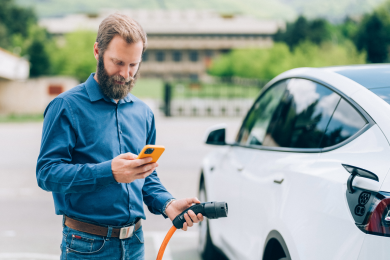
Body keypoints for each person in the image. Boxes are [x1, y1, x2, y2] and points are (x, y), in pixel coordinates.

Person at [36, 13, 203, 260]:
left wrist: (168, 204)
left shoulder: (144, 113)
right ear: (97, 51)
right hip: (86, 246)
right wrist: (110, 172)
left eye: (133, 65)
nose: (125, 74)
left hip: (135, 243)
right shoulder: (66, 107)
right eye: (118, 62)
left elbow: (147, 177)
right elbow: (47, 174)